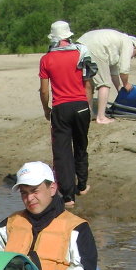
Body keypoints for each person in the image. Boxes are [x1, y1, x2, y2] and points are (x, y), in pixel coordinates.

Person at [0, 161, 98, 270]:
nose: (29, 198)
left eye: (35, 191)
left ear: (52, 188)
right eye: (24, 193)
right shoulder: (11, 223)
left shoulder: (77, 228)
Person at [39, 21, 96, 208]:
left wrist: (46, 108)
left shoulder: (46, 59)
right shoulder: (81, 53)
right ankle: (82, 185)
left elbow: (44, 90)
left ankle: (69, 196)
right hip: (81, 105)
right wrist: (88, 105)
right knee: (81, 144)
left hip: (61, 107)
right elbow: (88, 83)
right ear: (68, 36)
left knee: (62, 152)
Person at [75, 28, 136, 124]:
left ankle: (88, 114)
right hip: (96, 47)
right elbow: (124, 69)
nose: (133, 57)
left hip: (81, 44)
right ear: (135, 47)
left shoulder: (117, 44)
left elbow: (114, 73)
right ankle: (101, 117)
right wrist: (126, 83)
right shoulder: (128, 42)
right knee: (104, 84)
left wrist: (120, 89)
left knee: (88, 82)